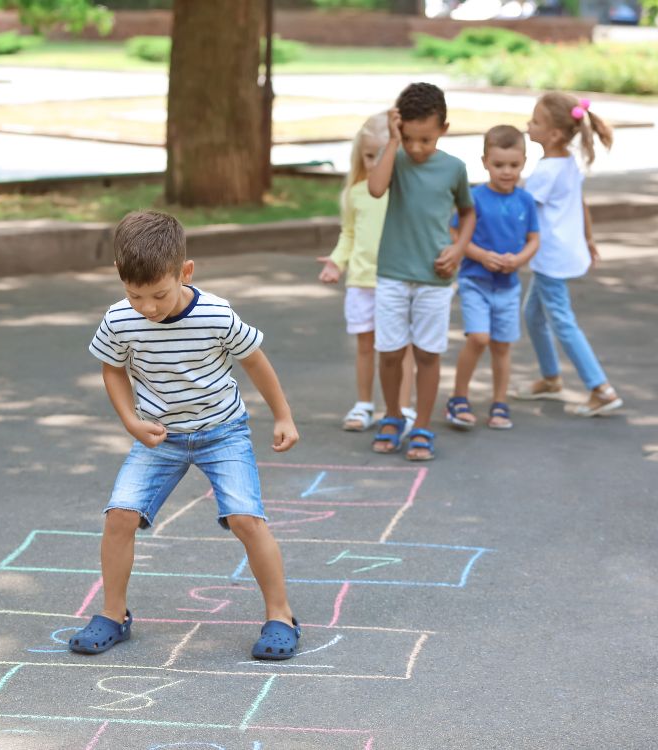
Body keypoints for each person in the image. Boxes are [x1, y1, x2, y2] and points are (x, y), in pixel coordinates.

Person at [69, 211, 301, 660]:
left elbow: (255, 360)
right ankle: (113, 615)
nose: (149, 308)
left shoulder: (215, 313)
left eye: (159, 294)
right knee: (119, 515)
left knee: (245, 519)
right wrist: (130, 421)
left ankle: (281, 615)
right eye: (136, 295)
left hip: (222, 430)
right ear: (120, 278)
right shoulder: (120, 319)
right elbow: (112, 368)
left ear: (185, 272)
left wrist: (283, 415)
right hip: (159, 435)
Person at [368, 82, 476, 460]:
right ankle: (393, 415)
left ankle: (424, 425)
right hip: (393, 274)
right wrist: (393, 141)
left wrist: (459, 249)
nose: (417, 148)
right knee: (390, 352)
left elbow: (468, 213)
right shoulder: (394, 157)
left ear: (444, 129)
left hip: (436, 278)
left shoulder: (454, 168)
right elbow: (376, 189)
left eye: (425, 140)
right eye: (410, 138)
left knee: (428, 354)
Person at [515, 92, 623, 416]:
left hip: (551, 256)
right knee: (533, 316)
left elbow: (524, 214)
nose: (528, 125)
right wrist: (588, 238)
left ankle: (600, 388)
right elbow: (579, 202)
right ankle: (551, 379)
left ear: (555, 134)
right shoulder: (566, 162)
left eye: (535, 121)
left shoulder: (546, 171)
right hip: (561, 251)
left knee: (562, 321)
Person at [318, 112, 416, 434]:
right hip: (362, 282)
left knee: (402, 349)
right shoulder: (355, 193)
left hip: (398, 281)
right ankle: (364, 404)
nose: (375, 163)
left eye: (382, 154)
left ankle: (402, 407)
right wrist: (336, 262)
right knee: (365, 345)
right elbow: (348, 234)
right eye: (369, 155)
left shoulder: (405, 191)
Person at [447, 125, 540, 430]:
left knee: (501, 346)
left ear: (524, 162)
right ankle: (458, 397)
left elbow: (534, 240)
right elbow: (455, 232)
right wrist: (481, 255)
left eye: (513, 165)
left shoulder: (525, 200)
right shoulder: (474, 197)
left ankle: (500, 403)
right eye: (499, 165)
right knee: (479, 338)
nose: (506, 172)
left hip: (508, 286)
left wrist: (519, 260)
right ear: (485, 161)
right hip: (476, 281)